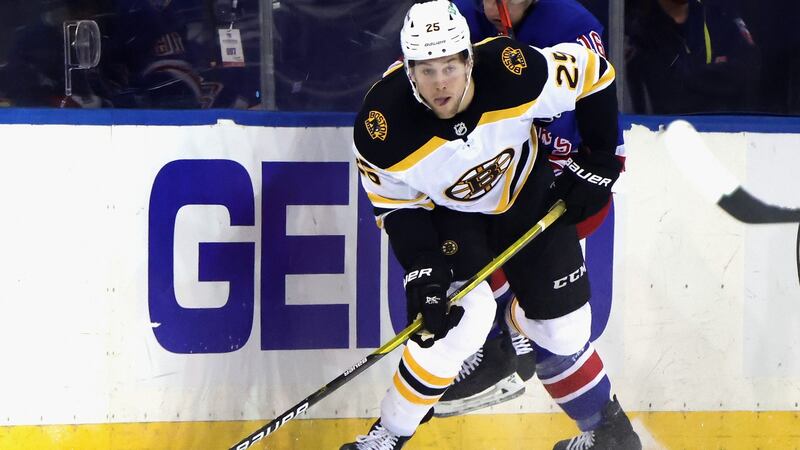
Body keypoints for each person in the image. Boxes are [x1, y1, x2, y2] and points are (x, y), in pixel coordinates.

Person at [343, 1, 640, 449]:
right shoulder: (380, 127)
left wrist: (599, 159)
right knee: (459, 322)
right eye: (426, 70)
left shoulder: (510, 69)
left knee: (568, 333)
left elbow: (594, 73)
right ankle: (389, 433)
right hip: (451, 217)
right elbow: (397, 208)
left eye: (450, 66)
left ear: (469, 57)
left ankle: (517, 325)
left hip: (526, 196)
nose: (440, 82)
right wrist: (423, 269)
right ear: (408, 70)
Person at [435, 0, 626, 418]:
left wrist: (601, 162)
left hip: (570, 180)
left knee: (541, 310)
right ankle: (607, 430)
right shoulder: (455, 18)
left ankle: (500, 343)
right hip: (509, 180)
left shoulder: (569, 24)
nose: (491, 3)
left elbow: (596, 92)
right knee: (544, 326)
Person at [625, 0, 760, 114]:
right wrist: (714, 77)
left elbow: (749, 73)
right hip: (660, 136)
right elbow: (667, 97)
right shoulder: (636, 31)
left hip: (728, 134)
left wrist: (689, 77)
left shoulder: (719, 16)